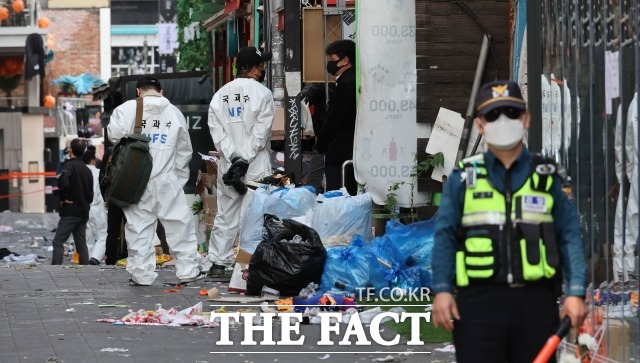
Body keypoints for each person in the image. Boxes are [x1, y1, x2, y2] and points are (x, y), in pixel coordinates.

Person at [431, 81, 587, 362]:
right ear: (480, 125)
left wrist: (575, 292)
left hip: (535, 303)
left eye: (511, 113)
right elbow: (445, 237)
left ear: (525, 119)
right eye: (493, 115)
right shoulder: (464, 178)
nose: (502, 121)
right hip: (477, 305)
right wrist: (442, 290)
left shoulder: (548, 176)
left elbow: (570, 236)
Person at [107, 76, 205, 285]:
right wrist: (178, 179)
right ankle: (187, 269)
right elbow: (184, 150)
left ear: (138, 91)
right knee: (179, 225)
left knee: (138, 227)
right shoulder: (175, 113)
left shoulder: (125, 110)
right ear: (162, 90)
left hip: (135, 178)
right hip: (167, 177)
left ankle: (142, 274)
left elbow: (114, 137)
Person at [207, 46, 274, 277]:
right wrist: (245, 159)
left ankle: (218, 263)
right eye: (262, 66)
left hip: (228, 166)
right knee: (253, 215)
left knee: (225, 215)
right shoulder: (263, 94)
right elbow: (261, 132)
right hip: (255, 166)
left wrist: (234, 158)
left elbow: (218, 134)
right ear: (254, 69)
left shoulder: (219, 95)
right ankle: (247, 267)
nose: (263, 70)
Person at [315, 39, 357, 195]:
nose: (330, 64)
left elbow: (334, 120)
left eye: (332, 60)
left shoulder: (345, 85)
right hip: (353, 151)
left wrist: (321, 144)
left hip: (340, 152)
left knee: (337, 197)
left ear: (345, 60)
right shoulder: (355, 79)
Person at [51, 138, 93, 265]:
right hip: (83, 211)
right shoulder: (87, 170)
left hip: (70, 210)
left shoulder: (68, 166)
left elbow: (63, 184)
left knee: (58, 241)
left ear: (71, 150)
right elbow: (90, 195)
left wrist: (63, 199)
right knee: (81, 243)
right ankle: (85, 269)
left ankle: (55, 269)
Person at [99, 145, 127, 265]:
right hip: (131, 196)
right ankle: (127, 256)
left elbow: (103, 177)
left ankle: (110, 258)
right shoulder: (135, 148)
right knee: (131, 228)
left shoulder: (111, 151)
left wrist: (106, 198)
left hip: (114, 196)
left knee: (112, 230)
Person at [81, 145, 108, 265]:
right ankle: (96, 258)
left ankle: (87, 257)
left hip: (84, 208)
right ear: (93, 160)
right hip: (98, 208)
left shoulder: (80, 172)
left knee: (88, 236)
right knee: (102, 234)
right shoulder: (98, 173)